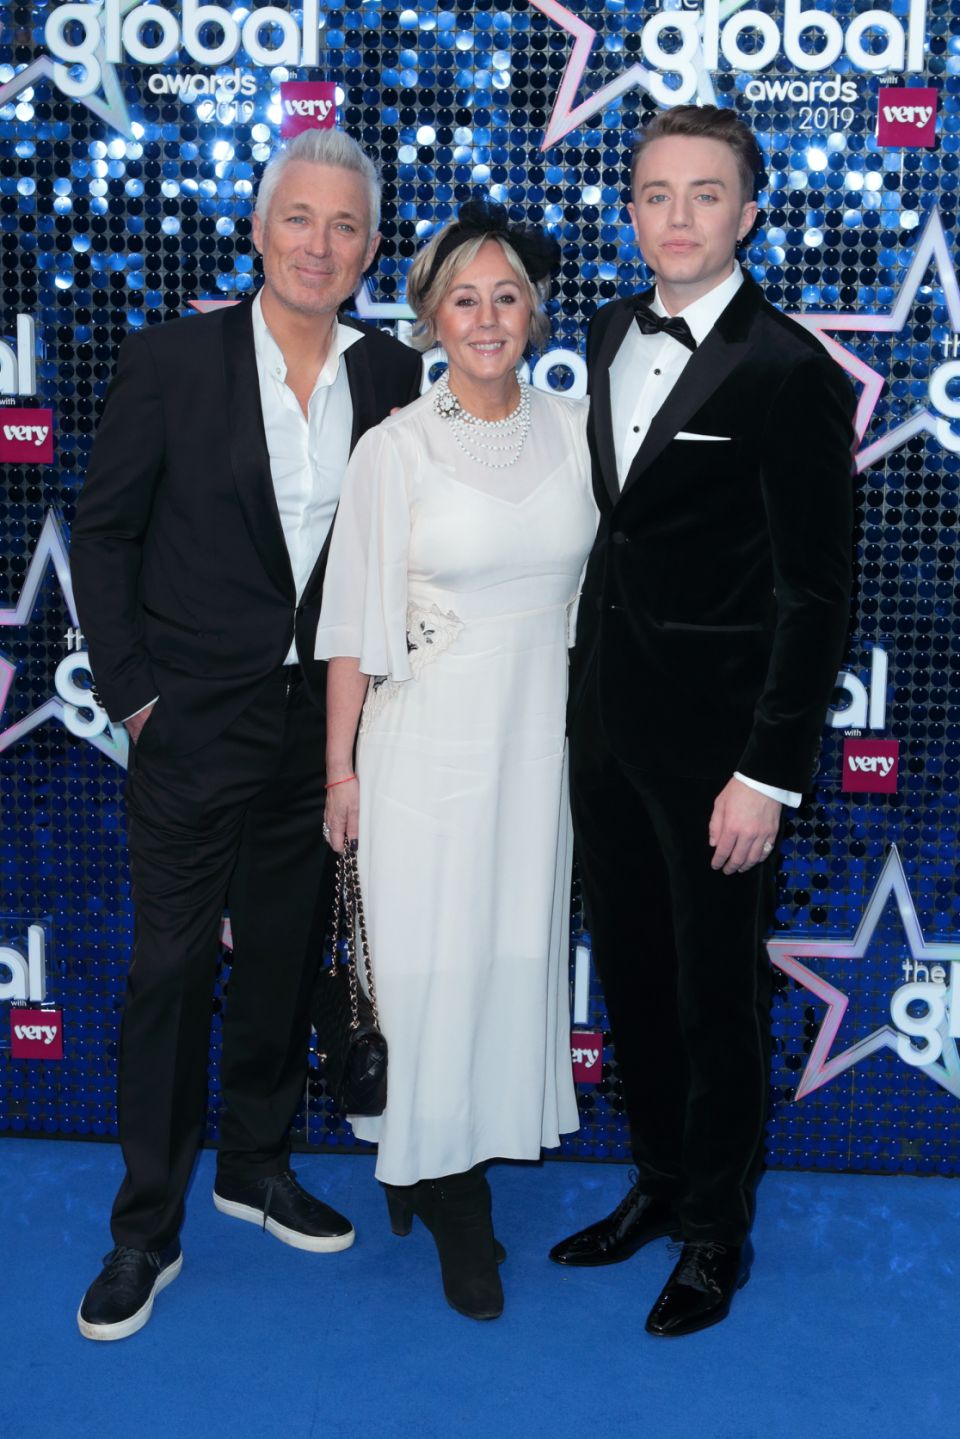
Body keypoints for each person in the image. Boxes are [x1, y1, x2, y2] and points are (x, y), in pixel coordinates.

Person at [70, 127, 423, 1341]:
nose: (319, 244)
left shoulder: (392, 374)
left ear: (370, 249)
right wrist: (134, 696)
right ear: (258, 231)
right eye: (298, 219)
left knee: (282, 956)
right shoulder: (173, 359)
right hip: (188, 723)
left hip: (316, 730)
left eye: (344, 226)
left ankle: (255, 1161)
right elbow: (104, 533)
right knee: (169, 970)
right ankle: (143, 1228)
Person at [549, 106, 854, 1336]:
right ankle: (661, 1181)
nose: (677, 217)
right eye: (655, 194)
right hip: (605, 733)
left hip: (721, 755)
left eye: (704, 194)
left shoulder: (789, 370)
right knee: (631, 973)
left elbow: (816, 593)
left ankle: (717, 1232)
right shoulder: (610, 326)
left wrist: (767, 772)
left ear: (749, 211)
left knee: (718, 994)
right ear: (631, 210)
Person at [317, 200, 597, 1320]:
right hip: (424, 752)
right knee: (429, 967)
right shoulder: (396, 447)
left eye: (507, 295)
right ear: (432, 319)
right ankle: (449, 1195)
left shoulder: (581, 428)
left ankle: (427, 1154)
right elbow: (351, 624)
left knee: (503, 956)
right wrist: (337, 772)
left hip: (539, 747)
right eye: (463, 299)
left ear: (535, 312)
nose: (487, 318)